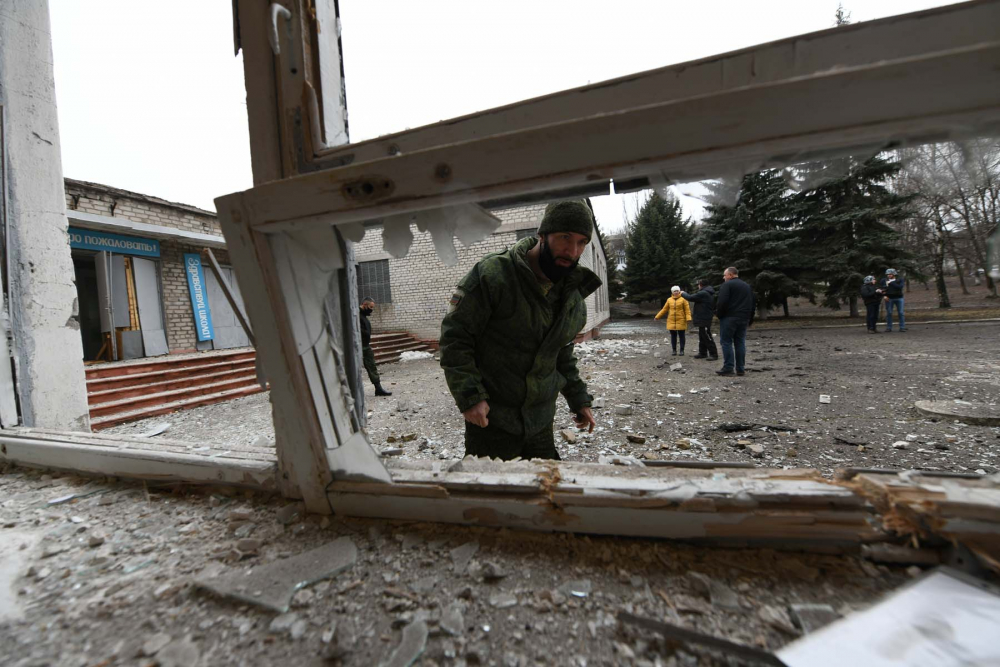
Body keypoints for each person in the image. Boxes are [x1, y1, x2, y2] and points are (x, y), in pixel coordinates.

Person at [439, 200, 602, 461]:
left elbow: (560, 352)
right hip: (492, 421)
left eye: (582, 242)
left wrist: (579, 399)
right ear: (542, 234)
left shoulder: (572, 294)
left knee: (545, 490)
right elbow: (455, 340)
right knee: (496, 496)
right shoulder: (492, 275)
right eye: (564, 237)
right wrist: (470, 397)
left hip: (540, 421)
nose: (572, 251)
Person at [715, 266, 755, 377]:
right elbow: (752, 302)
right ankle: (740, 368)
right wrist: (750, 318)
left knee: (726, 342)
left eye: (725, 275)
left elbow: (722, 302)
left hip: (729, 318)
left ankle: (728, 367)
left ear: (731, 275)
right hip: (744, 318)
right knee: (740, 342)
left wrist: (719, 314)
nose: (724, 277)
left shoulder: (727, 285)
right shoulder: (747, 286)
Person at [359, 297, 392, 396]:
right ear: (364, 305)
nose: (371, 309)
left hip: (365, 346)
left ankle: (378, 388)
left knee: (372, 366)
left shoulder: (363, 315)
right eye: (370, 307)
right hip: (359, 346)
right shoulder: (356, 315)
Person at [681, 279, 719, 359]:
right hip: (704, 316)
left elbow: (690, 297)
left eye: (698, 284)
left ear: (700, 285)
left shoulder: (703, 293)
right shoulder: (708, 292)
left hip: (704, 317)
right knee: (702, 335)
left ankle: (713, 354)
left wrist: (683, 293)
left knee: (706, 335)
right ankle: (703, 352)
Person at [655, 286, 692, 356]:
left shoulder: (684, 299)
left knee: (682, 336)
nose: (676, 292)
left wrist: (688, 318)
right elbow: (664, 309)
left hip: (681, 320)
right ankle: (674, 350)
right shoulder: (669, 300)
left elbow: (687, 310)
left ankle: (682, 350)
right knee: (673, 336)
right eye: (674, 291)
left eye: (677, 291)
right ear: (672, 292)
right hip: (671, 320)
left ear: (679, 291)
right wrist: (657, 316)